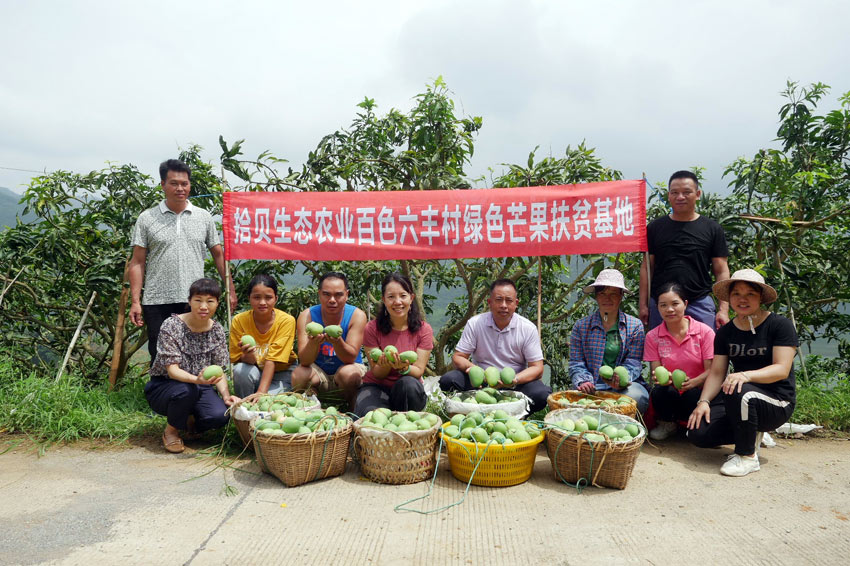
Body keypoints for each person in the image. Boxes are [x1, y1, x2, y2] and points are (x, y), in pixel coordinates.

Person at [687, 269, 797, 477]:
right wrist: (703, 402)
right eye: (736, 293)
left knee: (740, 389)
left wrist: (746, 375)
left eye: (750, 294)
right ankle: (751, 431)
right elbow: (717, 372)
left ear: (761, 298)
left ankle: (747, 456)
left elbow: (782, 369)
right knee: (698, 433)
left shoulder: (779, 325)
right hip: (741, 399)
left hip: (777, 401)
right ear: (729, 298)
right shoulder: (726, 332)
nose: (742, 299)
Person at [129, 159, 237, 361]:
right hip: (157, 299)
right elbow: (137, 262)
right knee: (161, 355)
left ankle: (196, 392)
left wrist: (230, 289)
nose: (180, 188)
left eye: (184, 183)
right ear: (162, 184)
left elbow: (219, 254)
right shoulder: (147, 218)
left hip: (196, 299)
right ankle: (162, 393)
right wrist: (135, 301)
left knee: (196, 353)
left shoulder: (203, 217)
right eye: (174, 183)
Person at [144, 278, 239, 454]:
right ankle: (171, 431)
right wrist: (197, 380)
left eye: (210, 301)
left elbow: (218, 369)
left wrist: (226, 396)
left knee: (219, 417)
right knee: (187, 391)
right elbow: (172, 371)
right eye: (198, 300)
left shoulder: (216, 330)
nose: (204, 306)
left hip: (199, 386)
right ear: (189, 301)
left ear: (217, 303)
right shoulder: (172, 325)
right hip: (166, 386)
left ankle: (190, 421)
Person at [439, 279, 552, 414]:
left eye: (508, 300)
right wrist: (475, 371)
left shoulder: (527, 328)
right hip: (480, 383)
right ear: (489, 302)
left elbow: (537, 368)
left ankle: (517, 415)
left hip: (514, 384)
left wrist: (514, 380)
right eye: (498, 300)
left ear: (516, 304)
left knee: (542, 394)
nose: (503, 305)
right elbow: (458, 357)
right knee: (448, 381)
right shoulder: (475, 324)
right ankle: (472, 410)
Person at [639, 170, 730, 330]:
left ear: (698, 194)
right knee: (660, 352)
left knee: (706, 352)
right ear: (669, 195)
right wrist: (643, 305)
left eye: (686, 192)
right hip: (662, 304)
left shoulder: (712, 228)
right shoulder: (654, 228)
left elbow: (721, 270)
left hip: (699, 302)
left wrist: (723, 310)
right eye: (675, 192)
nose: (680, 197)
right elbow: (647, 267)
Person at [568, 269, 649, 413]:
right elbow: (576, 362)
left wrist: (621, 379)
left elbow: (634, 362)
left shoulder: (634, 326)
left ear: (621, 296)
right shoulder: (581, 327)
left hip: (624, 388)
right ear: (596, 297)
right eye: (602, 294)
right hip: (592, 387)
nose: (607, 298)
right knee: (577, 407)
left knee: (637, 397)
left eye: (613, 294)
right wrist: (584, 381)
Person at [354, 273, 433, 417]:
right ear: (383, 300)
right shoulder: (372, 328)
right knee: (369, 416)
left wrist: (403, 368)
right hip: (377, 386)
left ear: (411, 298)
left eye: (403, 296)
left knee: (408, 385)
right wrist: (386, 364)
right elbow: (377, 373)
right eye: (391, 297)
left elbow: (419, 370)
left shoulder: (423, 329)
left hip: (407, 389)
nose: (397, 302)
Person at [644, 282, 715, 440]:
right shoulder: (652, 336)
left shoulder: (704, 332)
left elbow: (713, 371)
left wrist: (694, 382)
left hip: (698, 392)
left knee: (692, 395)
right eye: (663, 305)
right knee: (660, 392)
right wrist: (665, 379)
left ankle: (690, 425)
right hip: (671, 392)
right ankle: (667, 424)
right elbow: (657, 371)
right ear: (658, 308)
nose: (669, 309)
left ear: (685, 304)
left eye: (675, 303)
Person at [292, 272, 367, 405]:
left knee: (349, 373)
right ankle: (309, 406)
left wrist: (338, 343)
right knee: (299, 374)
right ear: (319, 294)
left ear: (347, 295)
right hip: (319, 374)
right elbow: (304, 361)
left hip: (347, 371)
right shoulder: (307, 316)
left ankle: (352, 409)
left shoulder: (357, 316)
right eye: (326, 294)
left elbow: (350, 358)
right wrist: (313, 344)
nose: (332, 300)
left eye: (338, 294)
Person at [228, 274, 297, 398]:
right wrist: (248, 354)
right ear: (249, 298)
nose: (262, 302)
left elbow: (272, 360)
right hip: (256, 370)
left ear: (276, 299)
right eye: (257, 297)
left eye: (268, 297)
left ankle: (255, 403)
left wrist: (261, 393)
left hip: (281, 372)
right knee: (240, 371)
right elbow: (242, 360)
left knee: (266, 402)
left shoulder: (286, 321)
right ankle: (245, 410)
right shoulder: (239, 321)